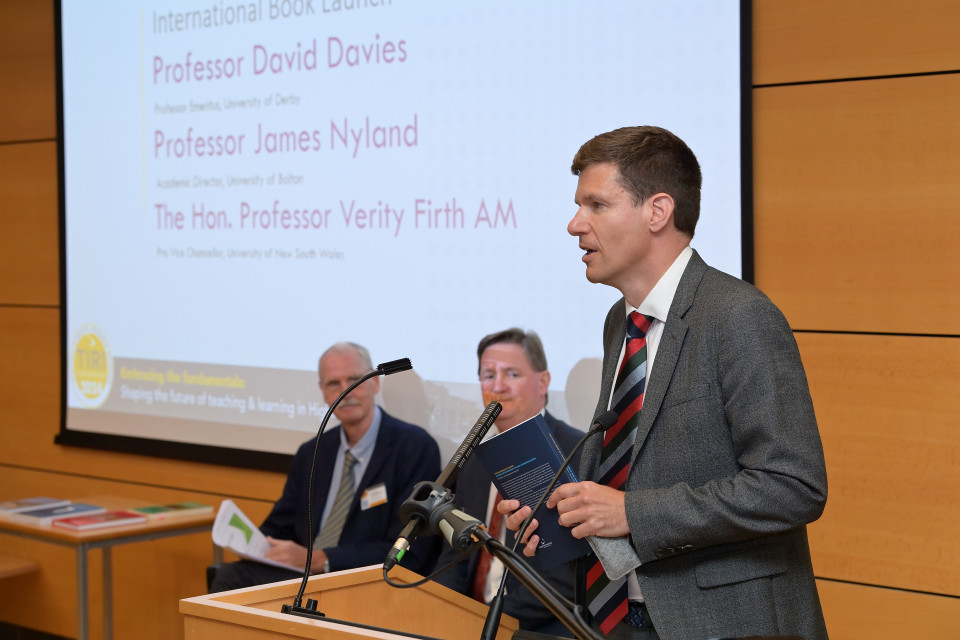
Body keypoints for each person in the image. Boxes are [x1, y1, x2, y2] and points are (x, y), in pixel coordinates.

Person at [502, 126, 829, 639]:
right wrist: (558, 517)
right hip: (621, 620)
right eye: (577, 206)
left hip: (725, 625)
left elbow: (792, 487)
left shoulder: (738, 317)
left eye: (596, 206)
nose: (574, 225)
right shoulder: (621, 321)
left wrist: (632, 512)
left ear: (657, 211)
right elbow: (628, 469)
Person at [209, 341, 441, 592]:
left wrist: (323, 559)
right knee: (231, 579)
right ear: (323, 391)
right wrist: (253, 543)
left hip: (362, 582)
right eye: (334, 384)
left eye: (354, 379)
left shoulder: (414, 447)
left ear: (374, 383)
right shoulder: (313, 452)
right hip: (302, 577)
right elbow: (279, 525)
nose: (346, 391)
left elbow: (409, 549)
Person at [433, 328, 584, 637]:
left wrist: (486, 624)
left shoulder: (576, 450)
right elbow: (455, 556)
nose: (497, 386)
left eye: (511, 374)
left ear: (543, 382)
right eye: (488, 376)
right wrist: (438, 609)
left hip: (541, 627)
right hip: (469, 622)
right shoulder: (472, 460)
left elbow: (567, 576)